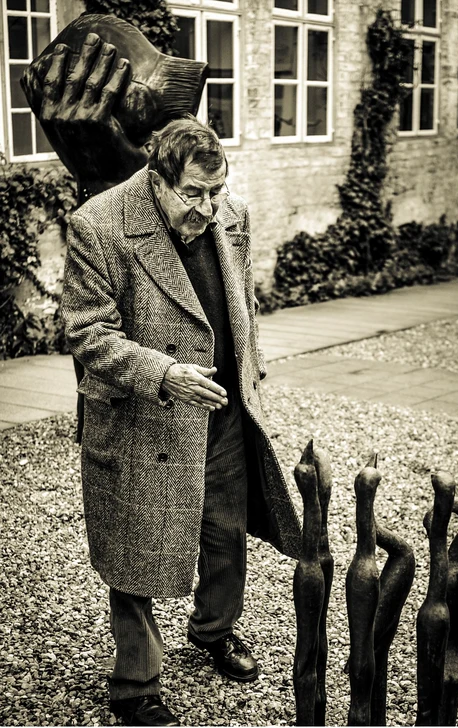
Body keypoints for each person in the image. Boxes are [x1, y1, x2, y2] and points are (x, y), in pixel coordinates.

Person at [61, 116, 302, 727]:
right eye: (193, 194)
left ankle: (214, 630)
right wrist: (163, 373)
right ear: (157, 178)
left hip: (219, 412)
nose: (208, 207)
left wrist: (251, 363)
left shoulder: (230, 213)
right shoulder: (100, 224)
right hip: (142, 419)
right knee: (135, 551)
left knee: (224, 534)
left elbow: (243, 296)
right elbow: (87, 334)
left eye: (216, 192)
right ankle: (135, 686)